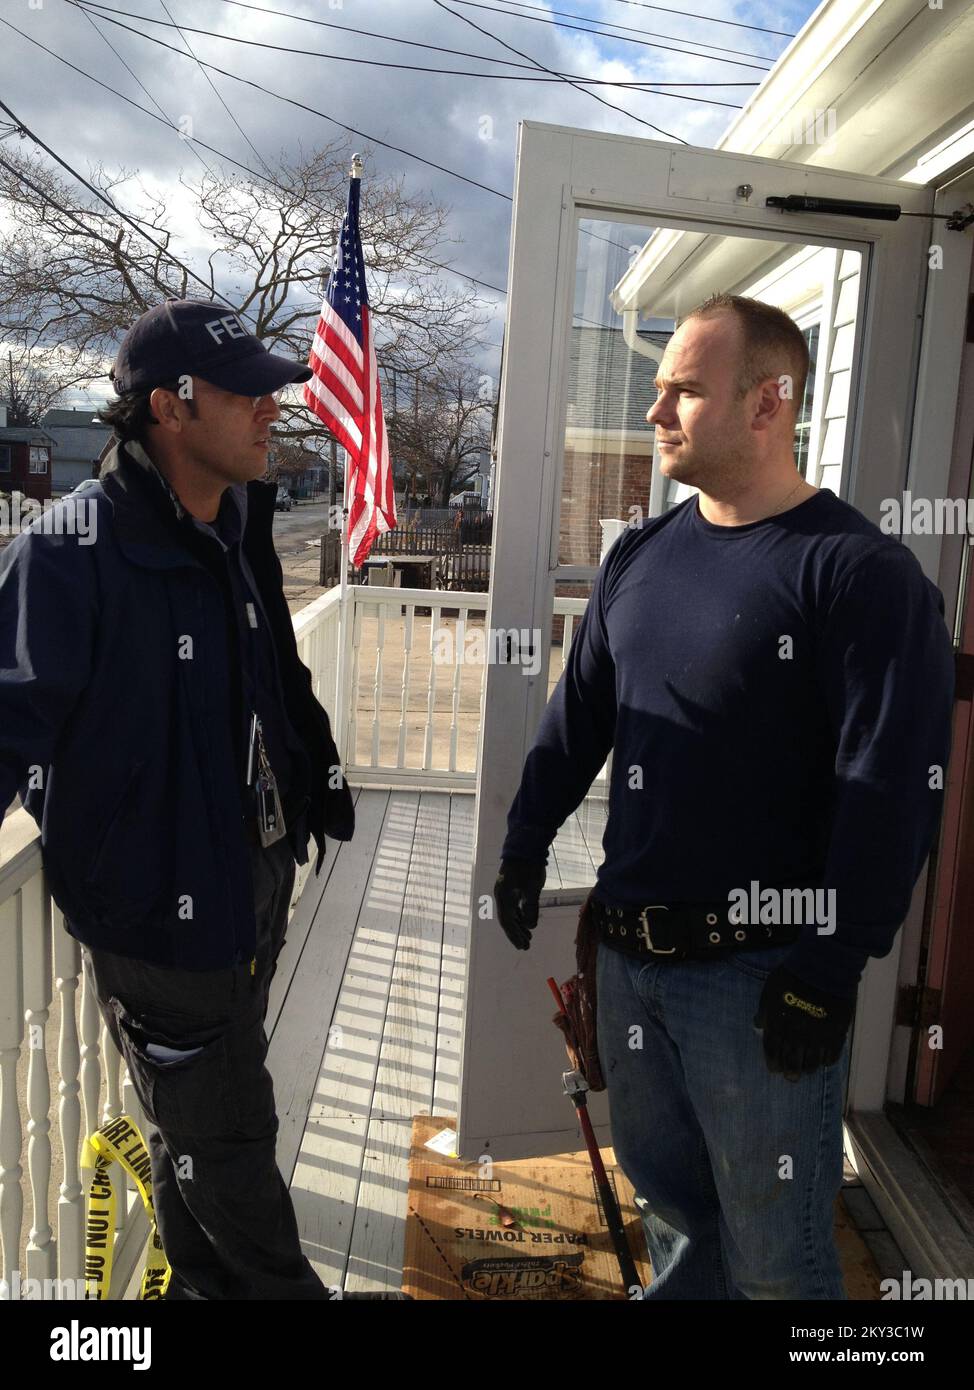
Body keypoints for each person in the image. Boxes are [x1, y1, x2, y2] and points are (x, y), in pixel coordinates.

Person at [493, 292, 954, 1300]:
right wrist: (525, 844)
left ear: (768, 403)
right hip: (630, 965)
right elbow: (577, 721)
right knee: (676, 1216)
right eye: (658, 390)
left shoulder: (856, 577)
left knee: (776, 1256)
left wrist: (827, 971)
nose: (654, 411)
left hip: (756, 985)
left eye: (683, 390)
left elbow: (890, 791)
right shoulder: (639, 557)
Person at [0, 298, 393, 1299]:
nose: (275, 406)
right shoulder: (68, 553)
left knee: (194, 1138)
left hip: (249, 879)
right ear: (170, 408)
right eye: (248, 389)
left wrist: (320, 772)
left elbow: (275, 676)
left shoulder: (232, 522)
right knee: (235, 1159)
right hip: (160, 921)